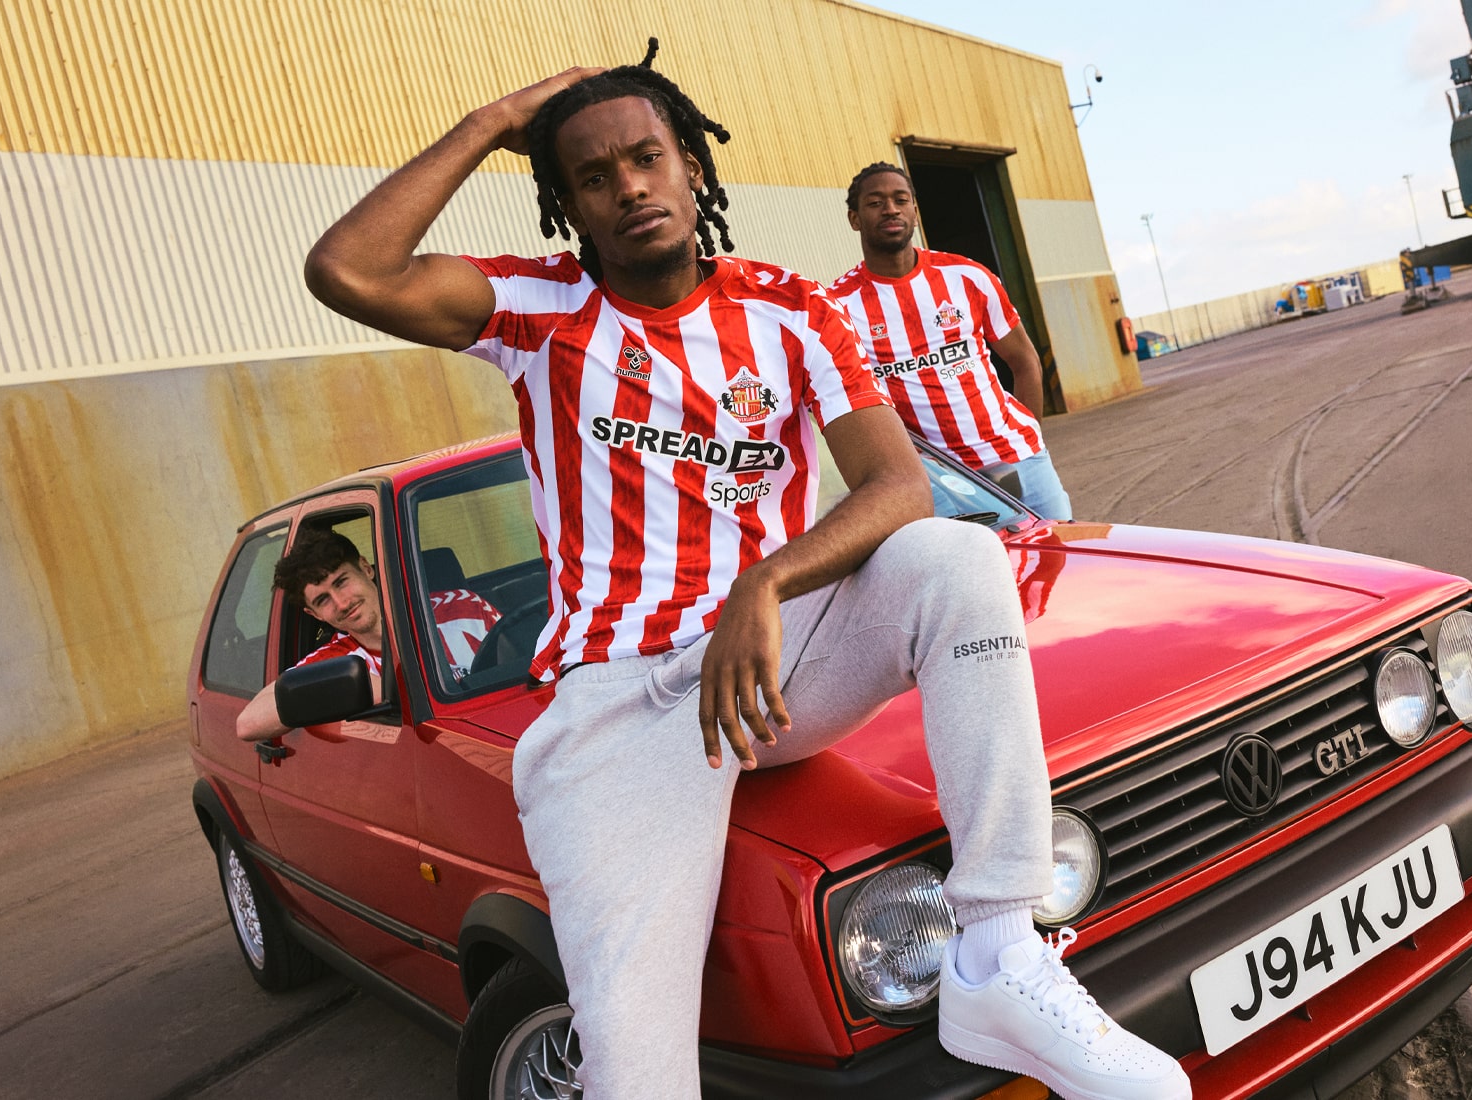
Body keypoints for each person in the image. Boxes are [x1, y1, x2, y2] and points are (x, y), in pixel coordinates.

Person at [301, 41, 1188, 1100]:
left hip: (767, 663)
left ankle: (997, 951)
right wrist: (497, 120)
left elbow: (897, 485)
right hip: (622, 698)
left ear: (691, 166)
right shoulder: (540, 308)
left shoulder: (789, 307)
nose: (630, 186)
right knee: (636, 1072)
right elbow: (348, 270)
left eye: (647, 157)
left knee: (954, 556)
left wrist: (763, 585)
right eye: (594, 176)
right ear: (569, 206)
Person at [829, 163, 1075, 520]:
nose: (891, 209)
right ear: (854, 219)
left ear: (915, 211)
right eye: (875, 202)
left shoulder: (968, 277)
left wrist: (1030, 437)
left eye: (901, 200)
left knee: (1060, 551)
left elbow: (1025, 362)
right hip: (936, 481)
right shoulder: (838, 306)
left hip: (1019, 459)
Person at [235, 530, 500, 742]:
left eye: (341, 582)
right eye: (323, 599)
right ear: (314, 614)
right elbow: (247, 723)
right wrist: (377, 688)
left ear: (366, 568)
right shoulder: (335, 661)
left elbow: (519, 655)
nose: (342, 603)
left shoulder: (464, 605)